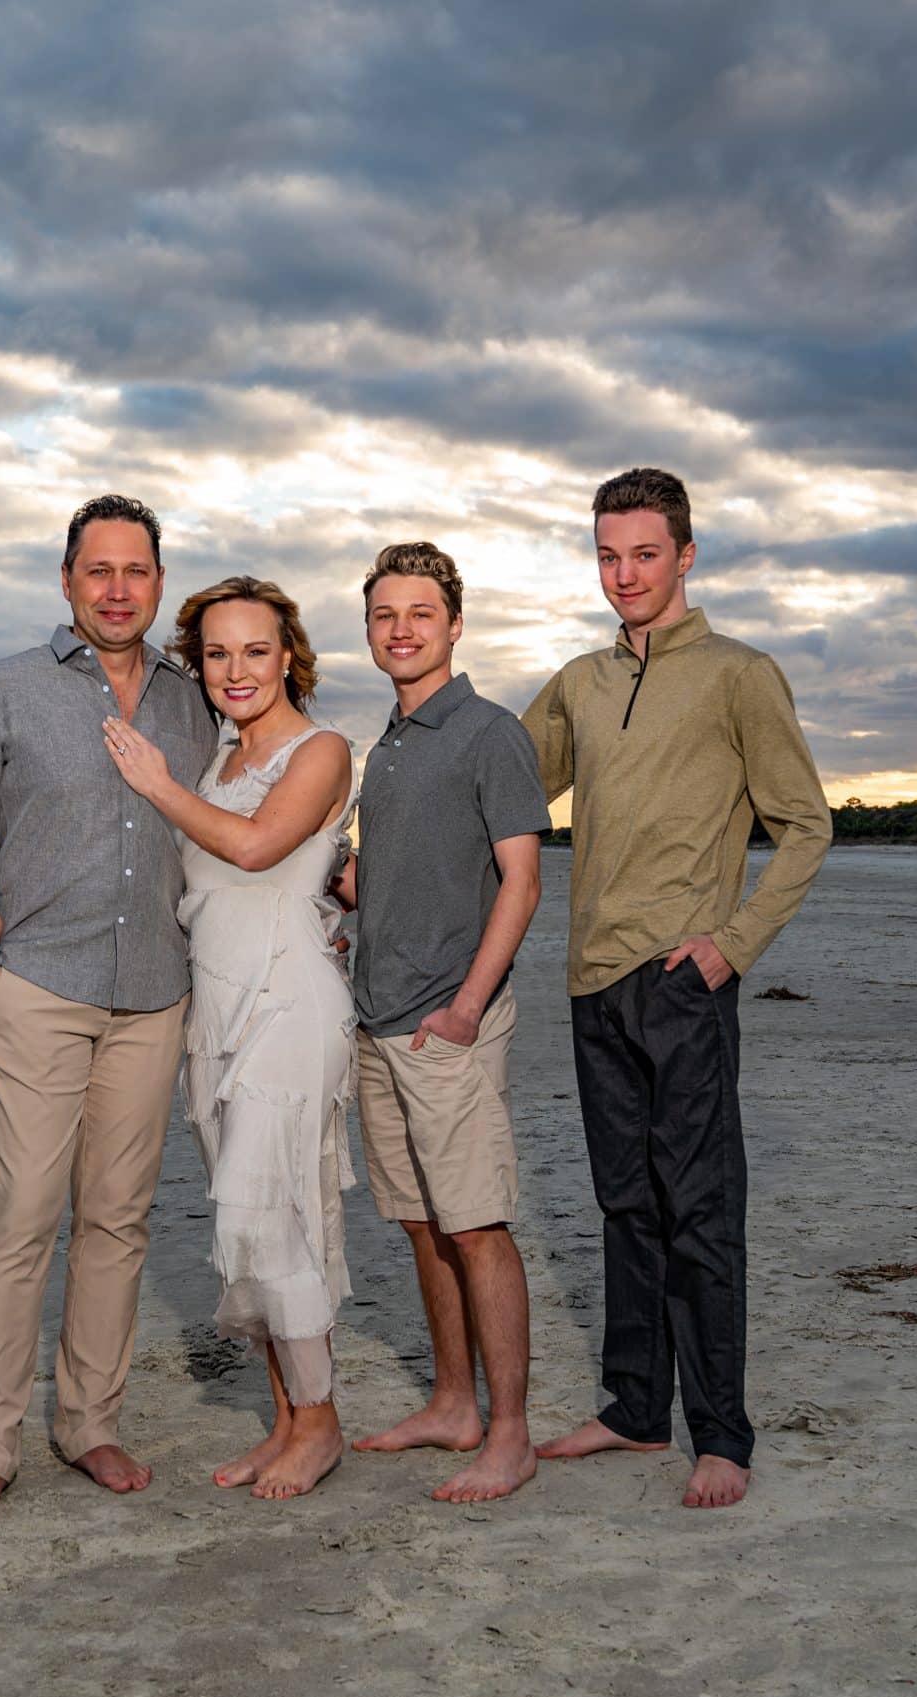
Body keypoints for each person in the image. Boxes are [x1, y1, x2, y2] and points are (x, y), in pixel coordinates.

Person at [523, 467, 831, 1510]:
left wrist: (732, 945)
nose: (624, 575)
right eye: (607, 554)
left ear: (686, 554)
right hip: (590, 980)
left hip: (681, 982)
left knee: (699, 1209)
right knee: (624, 1205)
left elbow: (805, 824)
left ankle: (722, 1434)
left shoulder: (740, 674)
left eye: (644, 553)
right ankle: (630, 1406)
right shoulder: (579, 679)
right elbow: (501, 787)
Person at [0, 494, 217, 1521]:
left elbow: (227, 820)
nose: (119, 588)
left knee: (118, 1218)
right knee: (22, 1215)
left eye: (137, 570)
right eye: (99, 570)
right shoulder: (1, 693)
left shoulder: (191, 700)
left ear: (159, 582)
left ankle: (89, 1421)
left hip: (153, 993)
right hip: (38, 989)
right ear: (66, 580)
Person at [100, 577, 356, 1501]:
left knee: (272, 1210)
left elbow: (256, 849)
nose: (236, 670)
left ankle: (321, 1424)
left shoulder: (322, 749)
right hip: (216, 1007)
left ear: (288, 653)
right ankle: (288, 1419)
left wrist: (155, 783)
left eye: (255, 650)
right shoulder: (214, 761)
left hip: (289, 1001)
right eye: (215, 653)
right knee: (246, 1224)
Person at [338, 542, 549, 1503]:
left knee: (477, 1228)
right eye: (385, 614)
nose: (402, 629)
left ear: (455, 624)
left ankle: (509, 1433)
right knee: (422, 1226)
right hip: (376, 1019)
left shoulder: (491, 732)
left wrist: (467, 1007)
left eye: (420, 612)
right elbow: (393, 871)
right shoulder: (384, 745)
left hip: (446, 1025)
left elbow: (523, 879)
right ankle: (453, 1403)